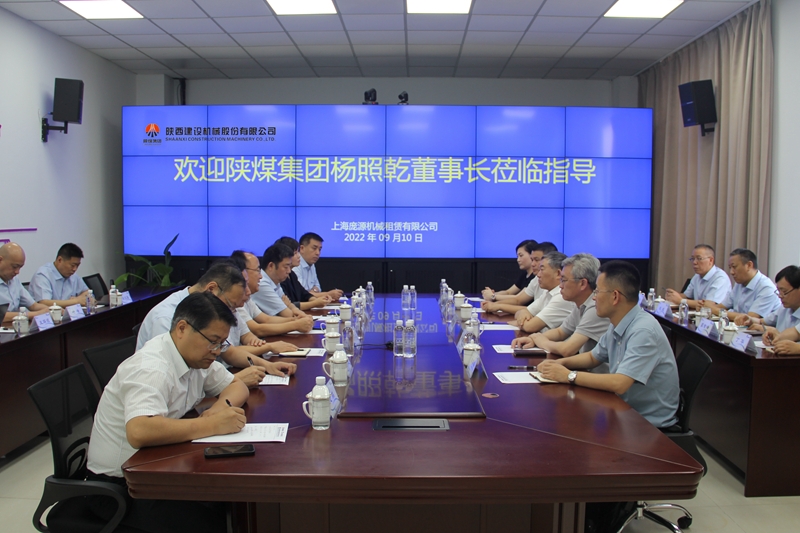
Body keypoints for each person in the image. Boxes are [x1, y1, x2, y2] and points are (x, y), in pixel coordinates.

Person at [87, 292, 249, 533]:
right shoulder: (152, 367)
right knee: (214, 521)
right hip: (121, 488)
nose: (217, 351)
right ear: (182, 328)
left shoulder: (195, 358)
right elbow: (140, 430)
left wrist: (215, 412)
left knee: (228, 501)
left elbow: (237, 386)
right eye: (213, 341)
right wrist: (212, 425)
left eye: (221, 344)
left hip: (155, 467)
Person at [537, 260, 679, 429]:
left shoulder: (643, 330)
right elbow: (593, 357)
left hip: (646, 423)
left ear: (615, 296)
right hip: (621, 410)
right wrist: (558, 364)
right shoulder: (619, 321)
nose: (594, 297)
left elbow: (620, 383)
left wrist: (568, 376)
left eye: (597, 291)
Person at [136, 261, 296, 387]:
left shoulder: (209, 311)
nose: (232, 312)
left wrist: (267, 366)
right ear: (211, 289)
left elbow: (229, 352)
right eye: (230, 306)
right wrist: (233, 380)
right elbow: (175, 381)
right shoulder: (167, 318)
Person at [512, 254, 610, 357]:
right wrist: (532, 339)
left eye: (564, 280)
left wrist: (543, 342)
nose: (560, 285)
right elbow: (560, 332)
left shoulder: (595, 307)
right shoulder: (580, 304)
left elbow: (567, 349)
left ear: (582, 283)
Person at [231, 250, 314, 337]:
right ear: (242, 272)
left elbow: (266, 319)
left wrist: (296, 320)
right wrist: (296, 324)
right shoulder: (237, 299)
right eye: (257, 270)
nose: (260, 276)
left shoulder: (247, 297)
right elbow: (257, 329)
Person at [701, 248, 781, 322]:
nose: (731, 272)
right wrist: (706, 307)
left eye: (734, 267)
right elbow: (722, 306)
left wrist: (715, 310)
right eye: (730, 268)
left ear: (749, 265)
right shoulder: (739, 283)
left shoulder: (766, 288)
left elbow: (748, 318)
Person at [481, 241, 556, 315]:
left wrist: (495, 301)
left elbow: (531, 310)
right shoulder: (535, 279)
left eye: (536, 260)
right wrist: (494, 304)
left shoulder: (557, 291)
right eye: (532, 260)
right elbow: (518, 300)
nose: (533, 264)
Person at [513, 251, 575, 334]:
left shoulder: (562, 296)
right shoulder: (547, 292)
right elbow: (522, 311)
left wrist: (521, 322)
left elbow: (530, 327)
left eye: (542, 270)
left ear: (558, 273)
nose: (538, 275)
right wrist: (523, 315)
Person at [736, 265, 800, 334]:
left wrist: (773, 331)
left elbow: (791, 338)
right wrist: (750, 320)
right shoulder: (784, 309)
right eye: (779, 291)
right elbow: (761, 321)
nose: (780, 296)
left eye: (784, 292)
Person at [251, 243, 307, 319]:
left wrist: (292, 307)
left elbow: (290, 305)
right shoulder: (262, 284)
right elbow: (288, 314)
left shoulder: (275, 280)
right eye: (286, 267)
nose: (289, 271)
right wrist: (289, 307)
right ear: (271, 266)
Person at [665, 244, 731, 307]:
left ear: (711, 260)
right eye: (692, 259)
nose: (694, 262)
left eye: (699, 258)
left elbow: (710, 305)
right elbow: (687, 296)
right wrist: (673, 296)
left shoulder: (720, 278)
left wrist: (681, 301)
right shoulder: (697, 276)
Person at [275, 237, 332, 310]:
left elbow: (304, 294)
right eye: (295, 253)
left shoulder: (292, 274)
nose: (299, 256)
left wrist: (318, 300)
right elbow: (289, 305)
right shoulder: (280, 277)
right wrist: (315, 303)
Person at [29, 242, 92, 308]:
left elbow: (87, 292)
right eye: (72, 265)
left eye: (77, 265)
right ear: (60, 260)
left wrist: (82, 298)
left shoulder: (73, 275)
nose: (75, 269)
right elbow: (44, 303)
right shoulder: (43, 275)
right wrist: (75, 301)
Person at [0, 242, 49, 322]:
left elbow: (33, 305)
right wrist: (35, 314)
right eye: (14, 267)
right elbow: (1, 316)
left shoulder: (14, 279)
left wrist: (51, 310)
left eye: (20, 267)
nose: (17, 272)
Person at [294, 232, 343, 300]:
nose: (318, 253)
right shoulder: (295, 265)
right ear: (302, 248)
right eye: (314, 248)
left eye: (319, 249)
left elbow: (318, 287)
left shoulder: (311, 264)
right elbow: (300, 294)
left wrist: (313, 291)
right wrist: (328, 294)